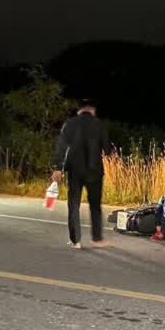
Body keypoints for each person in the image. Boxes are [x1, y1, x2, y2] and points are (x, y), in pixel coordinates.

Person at [51, 98, 111, 249]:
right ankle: (97, 238)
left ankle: (75, 240)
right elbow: (107, 150)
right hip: (95, 171)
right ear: (93, 110)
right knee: (95, 205)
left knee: (74, 205)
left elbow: (61, 147)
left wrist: (58, 167)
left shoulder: (69, 124)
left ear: (79, 110)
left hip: (74, 171)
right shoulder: (99, 124)